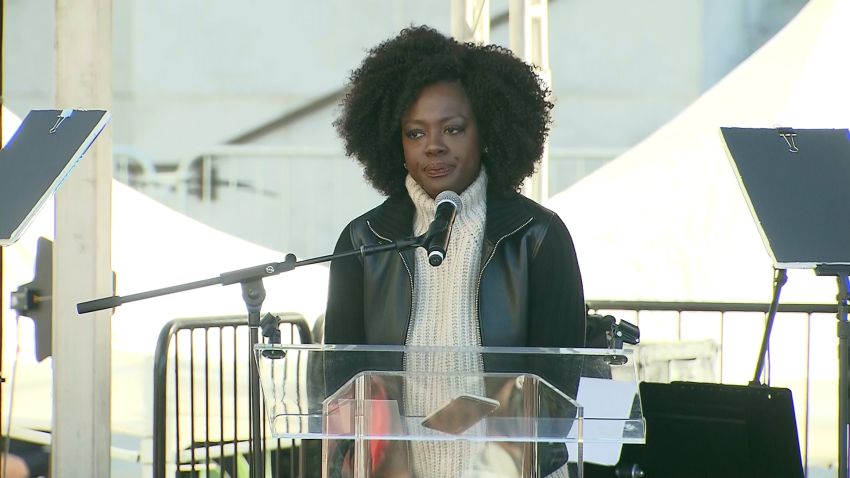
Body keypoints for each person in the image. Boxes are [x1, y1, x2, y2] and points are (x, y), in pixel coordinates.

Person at [322, 25, 586, 477]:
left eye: (453, 128)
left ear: (487, 130)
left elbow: (560, 388)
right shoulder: (364, 242)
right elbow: (340, 382)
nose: (434, 146)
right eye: (415, 133)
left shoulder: (538, 236)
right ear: (395, 142)